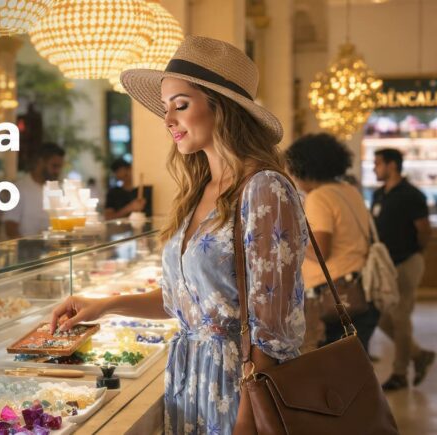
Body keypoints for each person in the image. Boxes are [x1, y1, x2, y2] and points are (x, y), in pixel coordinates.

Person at [49, 36, 306, 434]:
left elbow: (273, 327)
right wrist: (103, 305)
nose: (168, 119)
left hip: (239, 387)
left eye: (181, 105)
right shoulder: (197, 191)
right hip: (189, 381)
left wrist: (246, 419)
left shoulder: (264, 189)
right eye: (166, 108)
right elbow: (185, 303)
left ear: (222, 109)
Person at [285, 133, 378, 353]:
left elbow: (320, 252)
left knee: (326, 366)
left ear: (303, 167)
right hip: (358, 288)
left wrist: (289, 239)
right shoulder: (349, 191)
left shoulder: (319, 197)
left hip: (331, 296)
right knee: (350, 365)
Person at [371, 148, 434, 390]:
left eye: (378, 163)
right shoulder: (379, 194)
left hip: (406, 262)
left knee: (400, 317)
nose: (375, 168)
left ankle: (399, 373)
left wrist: (416, 254)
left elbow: (424, 230)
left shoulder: (412, 195)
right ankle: (419, 355)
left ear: (392, 165)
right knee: (379, 315)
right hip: (385, 265)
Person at [3, 143, 65, 239]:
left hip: (53, 250)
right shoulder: (20, 189)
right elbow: (10, 230)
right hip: (27, 251)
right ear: (40, 162)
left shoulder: (56, 189)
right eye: (54, 166)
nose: (57, 171)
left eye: (59, 167)